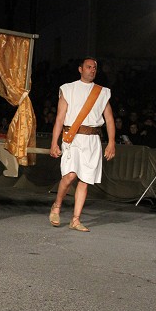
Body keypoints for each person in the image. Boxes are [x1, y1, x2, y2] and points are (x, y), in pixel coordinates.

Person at [49, 57, 116, 232]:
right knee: (70, 176)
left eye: (94, 68)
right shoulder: (68, 89)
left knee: (85, 180)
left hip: (92, 139)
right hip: (72, 137)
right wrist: (54, 143)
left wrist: (111, 143)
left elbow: (109, 119)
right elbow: (59, 118)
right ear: (80, 69)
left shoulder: (102, 92)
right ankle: (57, 206)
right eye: (88, 67)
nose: (92, 70)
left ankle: (76, 219)